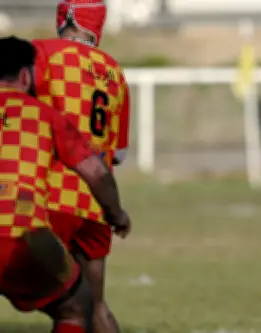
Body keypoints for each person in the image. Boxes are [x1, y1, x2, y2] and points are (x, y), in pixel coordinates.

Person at [0, 36, 130, 333]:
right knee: (78, 305)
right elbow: (97, 172)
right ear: (25, 76)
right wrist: (117, 215)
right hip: (22, 230)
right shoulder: (44, 115)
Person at [32, 0, 132, 332]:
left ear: (65, 17)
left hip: (49, 196)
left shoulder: (43, 53)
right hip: (96, 204)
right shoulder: (114, 71)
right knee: (95, 306)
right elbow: (119, 153)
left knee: (66, 307)